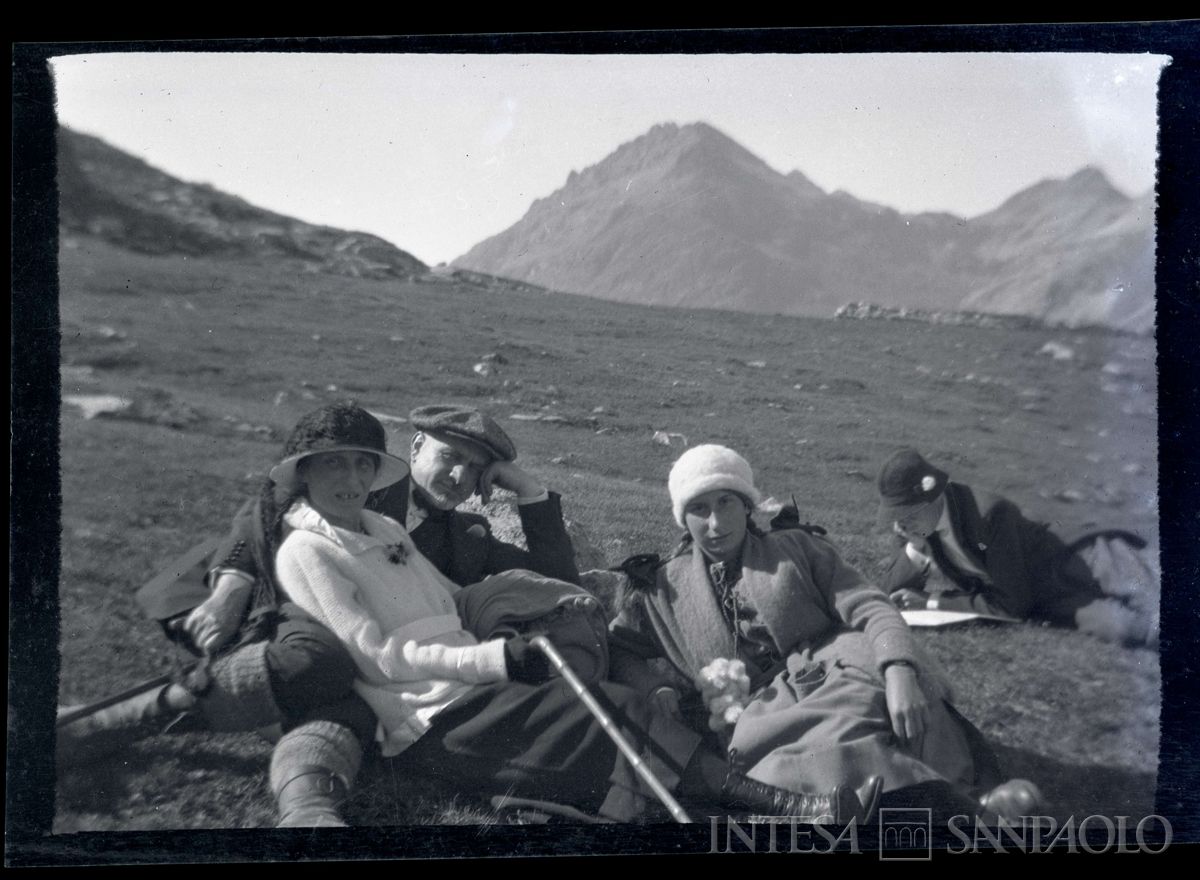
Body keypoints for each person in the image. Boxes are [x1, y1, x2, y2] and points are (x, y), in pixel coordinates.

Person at [250, 403, 881, 825]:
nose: (351, 476)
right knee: (602, 722)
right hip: (424, 714)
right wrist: (496, 658)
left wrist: (524, 567)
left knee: (617, 705)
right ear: (304, 474)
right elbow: (381, 658)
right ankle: (790, 809)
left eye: (361, 463)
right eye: (334, 463)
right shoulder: (307, 549)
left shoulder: (386, 527)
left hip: (467, 689)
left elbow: (470, 597)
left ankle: (784, 805)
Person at [56, 403, 580, 774]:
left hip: (382, 661)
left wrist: (529, 491)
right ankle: (115, 722)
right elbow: (267, 503)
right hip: (286, 609)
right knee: (314, 661)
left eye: (476, 468)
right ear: (418, 446)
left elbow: (557, 581)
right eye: (450, 457)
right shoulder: (358, 473)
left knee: (342, 702)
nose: (460, 476)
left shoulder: (470, 535)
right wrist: (231, 584)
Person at [608, 444, 1042, 823]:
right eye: (699, 509)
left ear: (747, 505)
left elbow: (870, 604)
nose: (716, 523)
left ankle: (969, 804)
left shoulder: (796, 548)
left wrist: (898, 669)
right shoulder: (661, 589)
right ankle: (957, 812)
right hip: (760, 709)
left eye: (726, 502)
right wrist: (653, 687)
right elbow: (618, 647)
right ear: (682, 517)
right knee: (790, 762)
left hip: (834, 669)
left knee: (871, 713)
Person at [876, 448, 1159, 648]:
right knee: (1127, 629)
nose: (902, 522)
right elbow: (889, 593)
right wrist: (915, 546)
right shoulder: (918, 528)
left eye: (908, 512)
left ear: (934, 497)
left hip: (1082, 556)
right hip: (1045, 596)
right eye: (898, 514)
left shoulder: (988, 512)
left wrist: (932, 601)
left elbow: (1009, 604)